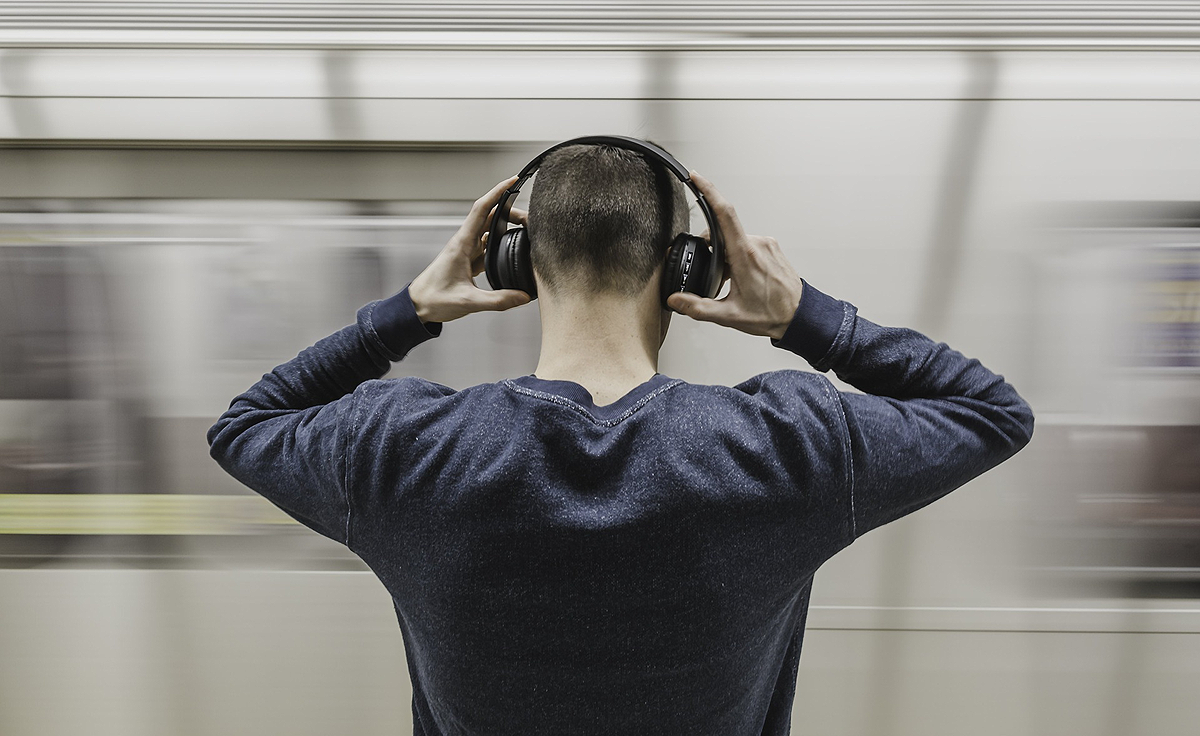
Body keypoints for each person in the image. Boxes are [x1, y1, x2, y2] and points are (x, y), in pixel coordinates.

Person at [207, 142, 1034, 735]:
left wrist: (409, 313)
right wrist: (806, 319)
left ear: (516, 262)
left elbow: (244, 426)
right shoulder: (787, 443)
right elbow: (992, 412)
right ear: (687, 271)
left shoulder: (404, 447)